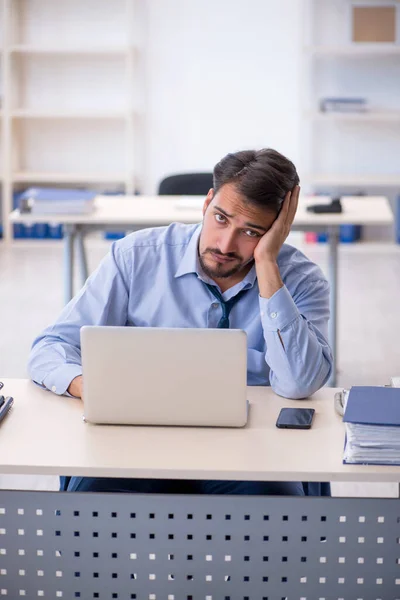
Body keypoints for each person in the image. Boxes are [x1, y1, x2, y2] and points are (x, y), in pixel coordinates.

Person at [28, 148, 333, 496]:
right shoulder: (135, 257)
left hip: (253, 450)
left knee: (271, 508)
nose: (225, 243)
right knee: (93, 501)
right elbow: (49, 350)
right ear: (206, 204)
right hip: (139, 442)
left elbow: (299, 383)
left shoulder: (302, 280)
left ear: (278, 232)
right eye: (221, 218)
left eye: (251, 232)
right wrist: (90, 387)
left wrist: (266, 265)